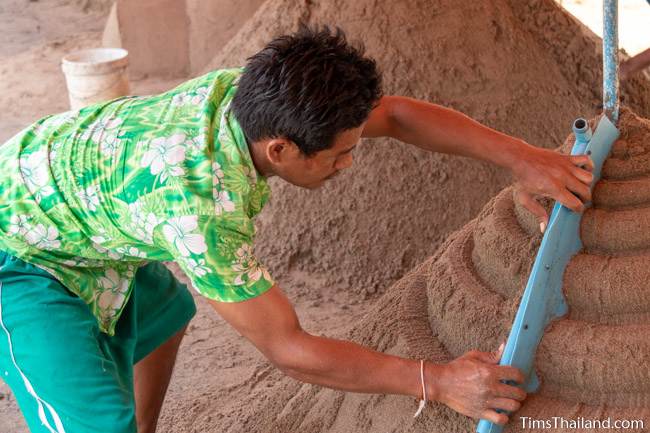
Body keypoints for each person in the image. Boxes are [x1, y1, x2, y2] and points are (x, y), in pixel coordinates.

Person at [0, 25, 593, 433]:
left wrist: (522, 157)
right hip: (19, 253)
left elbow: (395, 113)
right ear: (281, 149)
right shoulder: (203, 210)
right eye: (338, 156)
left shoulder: (253, 96)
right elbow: (289, 348)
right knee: (96, 425)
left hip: (75, 204)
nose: (348, 164)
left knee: (164, 315)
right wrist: (435, 383)